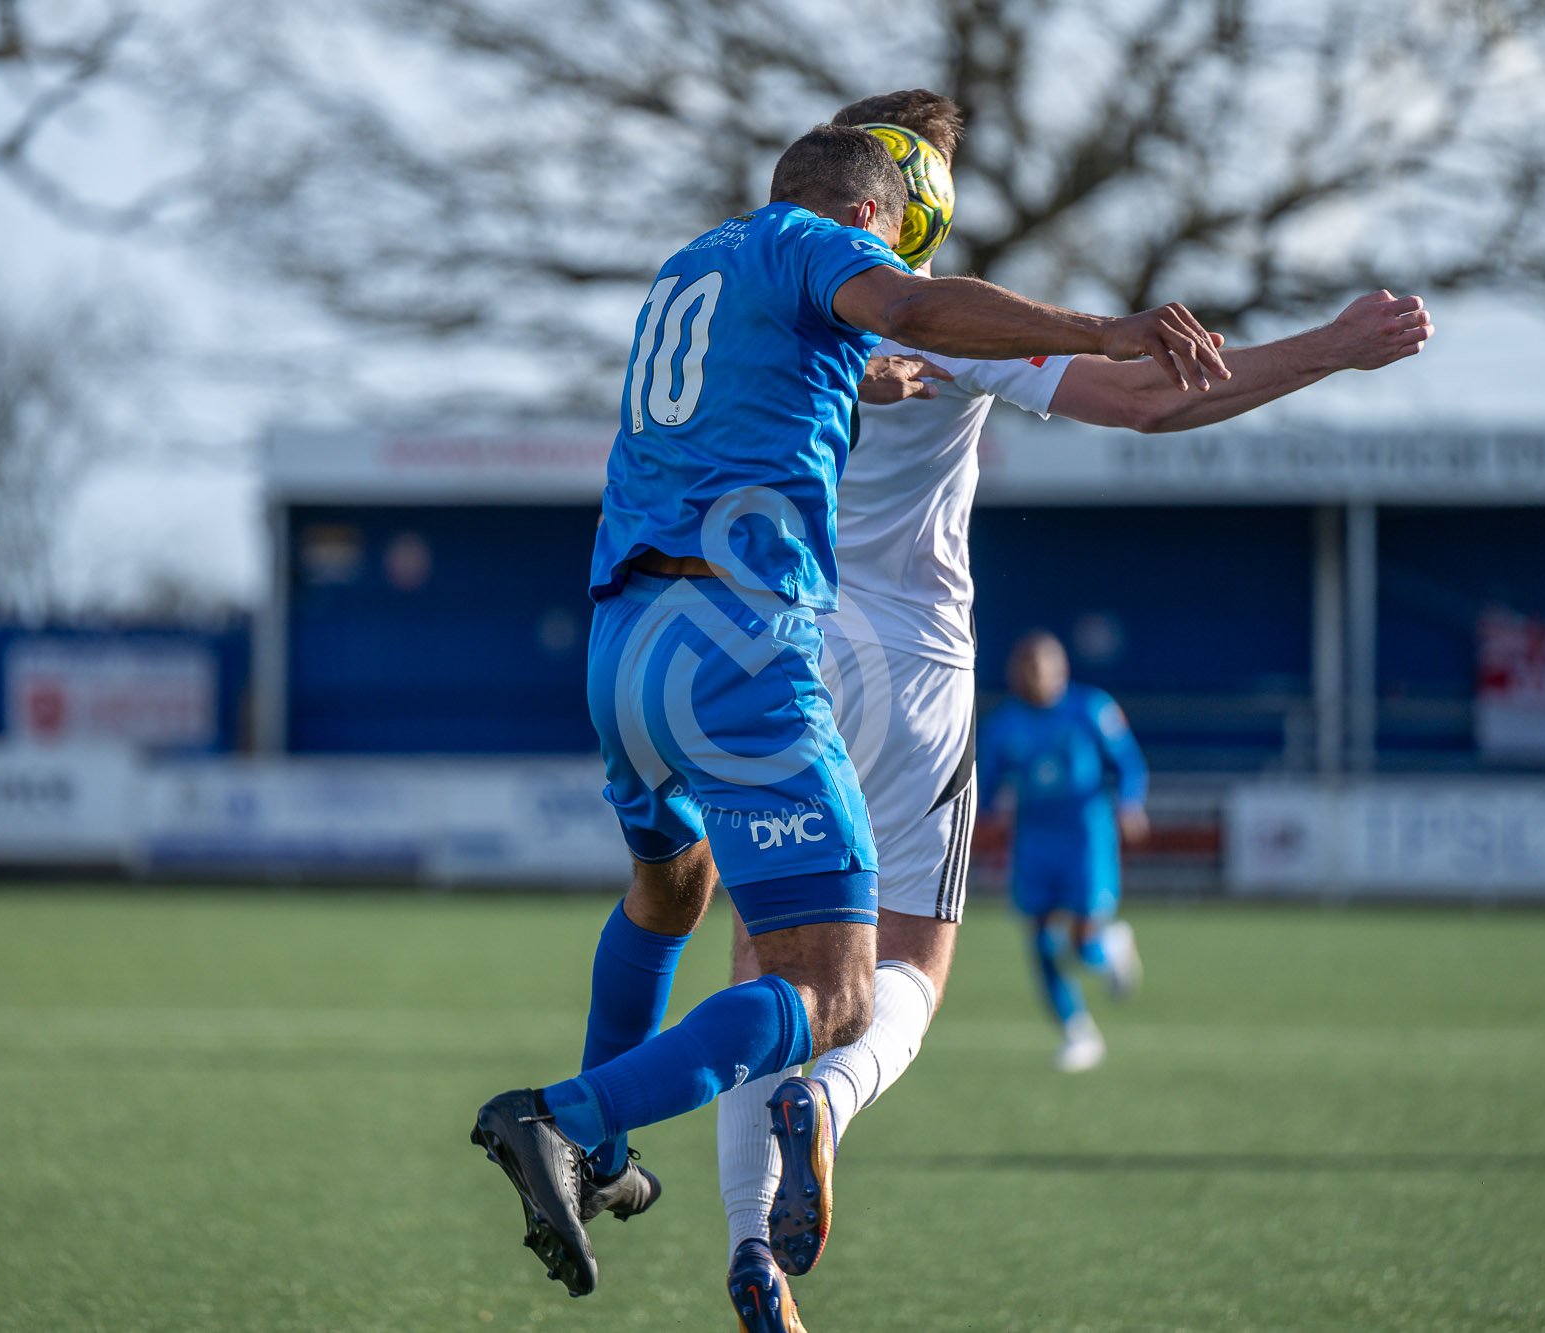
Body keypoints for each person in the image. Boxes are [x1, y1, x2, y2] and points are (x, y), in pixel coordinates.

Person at [468, 123, 1232, 1303]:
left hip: (621, 642)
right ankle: (565, 1119)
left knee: (671, 887)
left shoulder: (695, 265)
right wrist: (1099, 326)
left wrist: (864, 372)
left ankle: (606, 1159)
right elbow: (912, 310)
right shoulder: (820, 247)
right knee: (838, 994)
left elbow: (790, 371)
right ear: (873, 219)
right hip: (737, 645)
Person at [711, 90, 1435, 1330]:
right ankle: (826, 1106)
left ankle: (747, 1252)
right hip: (913, 668)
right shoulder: (953, 316)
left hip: (766, 650)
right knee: (908, 977)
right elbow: (1158, 402)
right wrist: (1326, 345)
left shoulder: (741, 296)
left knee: (761, 972)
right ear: (903, 197)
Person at [980, 632, 1150, 1070]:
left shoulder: (1091, 708)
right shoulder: (1005, 724)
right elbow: (985, 784)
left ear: (1062, 669)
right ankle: (1078, 1033)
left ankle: (1112, 945)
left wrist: (1130, 804)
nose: (1037, 676)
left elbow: (1128, 763)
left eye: (1044, 666)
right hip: (1035, 841)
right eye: (1028, 668)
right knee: (1039, 938)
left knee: (1083, 940)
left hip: (1086, 837)